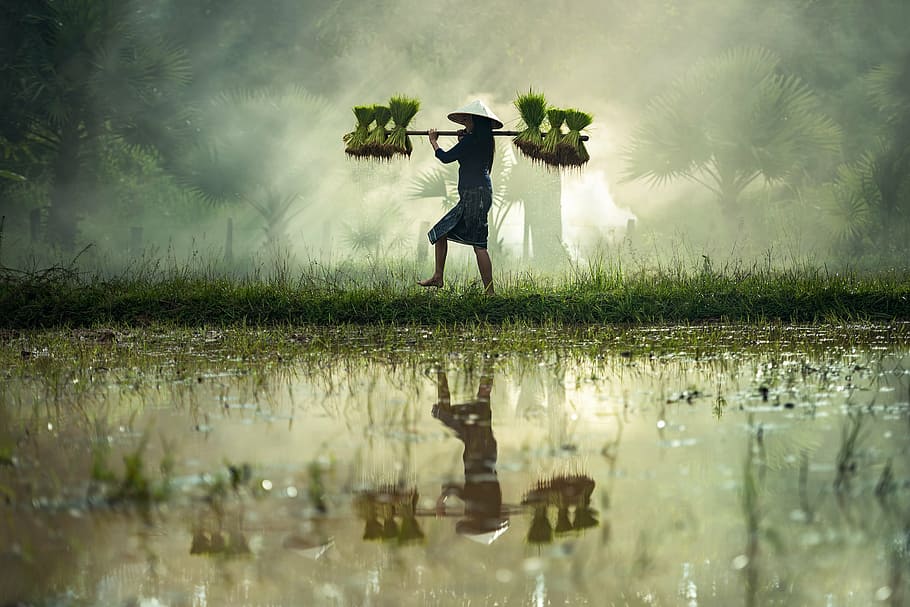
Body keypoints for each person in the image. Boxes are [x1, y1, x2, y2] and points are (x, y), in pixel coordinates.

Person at [418, 99, 503, 295]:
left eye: (467, 120)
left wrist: (433, 141)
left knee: (479, 245)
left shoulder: (471, 141)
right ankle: (439, 276)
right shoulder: (482, 141)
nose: (464, 122)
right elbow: (468, 157)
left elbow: (446, 157)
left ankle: (490, 293)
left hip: (474, 196)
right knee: (444, 233)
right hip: (479, 194)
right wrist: (462, 141)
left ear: (475, 121)